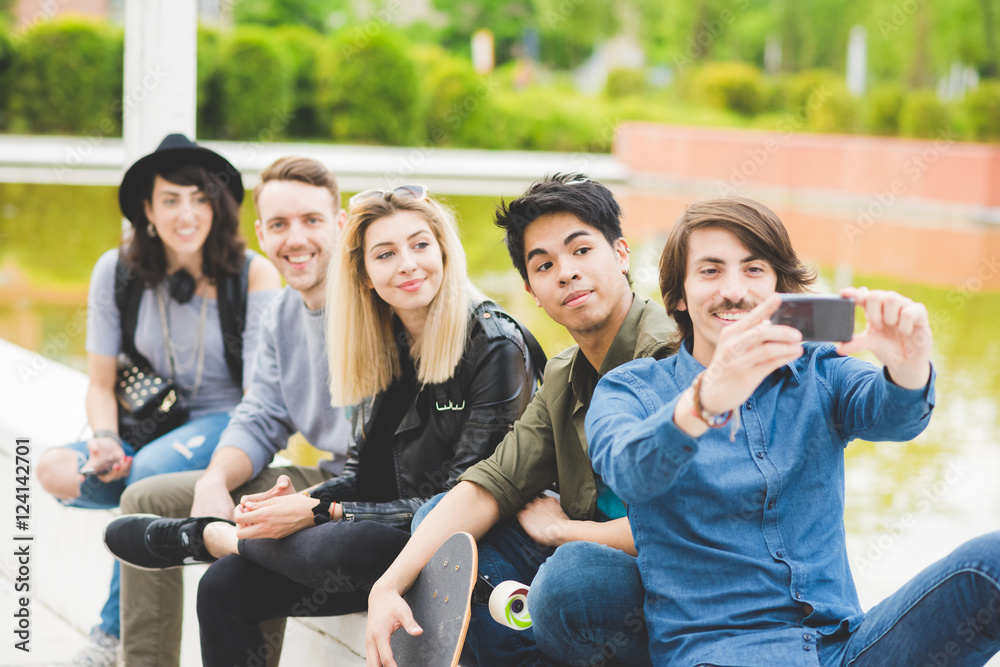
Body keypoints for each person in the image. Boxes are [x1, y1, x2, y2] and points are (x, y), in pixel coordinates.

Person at [104, 184, 537, 667]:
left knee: (355, 541)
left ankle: (209, 537)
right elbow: (361, 474)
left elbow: (465, 500)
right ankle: (220, 542)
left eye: (420, 245)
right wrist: (300, 504)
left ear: (443, 250)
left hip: (457, 545)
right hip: (385, 539)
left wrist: (323, 512)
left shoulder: (494, 345)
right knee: (224, 585)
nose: (409, 264)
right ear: (366, 276)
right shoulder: (386, 341)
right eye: (386, 254)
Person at [586, 196, 1000, 666]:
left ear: (780, 288)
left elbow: (895, 416)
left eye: (754, 269)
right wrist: (705, 401)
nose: (734, 290)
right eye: (710, 271)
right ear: (678, 295)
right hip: (719, 654)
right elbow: (629, 472)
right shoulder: (630, 389)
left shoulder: (822, 369)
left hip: (845, 649)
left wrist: (908, 363)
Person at [366, 174, 676, 667]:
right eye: (545, 265)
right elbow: (490, 484)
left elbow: (682, 527)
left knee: (570, 576)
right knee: (441, 524)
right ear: (532, 290)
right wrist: (386, 588)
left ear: (621, 254)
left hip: (670, 584)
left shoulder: (671, 358)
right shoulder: (565, 373)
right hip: (588, 574)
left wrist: (564, 533)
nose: (566, 273)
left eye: (580, 251)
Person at [35, 133, 281, 667]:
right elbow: (100, 383)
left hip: (229, 421)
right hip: (149, 426)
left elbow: (264, 395)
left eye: (199, 198)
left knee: (146, 474)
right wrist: (102, 439)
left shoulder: (253, 274)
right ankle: (166, 519)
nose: (186, 214)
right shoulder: (118, 272)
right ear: (147, 208)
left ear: (218, 205)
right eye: (170, 200)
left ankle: (110, 636)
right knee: (57, 469)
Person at [107, 155, 353, 667]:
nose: (296, 238)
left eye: (312, 221)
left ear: (341, 224)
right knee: (146, 496)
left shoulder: (375, 300)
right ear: (262, 232)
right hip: (325, 473)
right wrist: (215, 480)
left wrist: (298, 502)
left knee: (245, 555)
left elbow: (395, 462)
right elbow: (261, 415)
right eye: (281, 225)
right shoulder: (284, 313)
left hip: (366, 494)